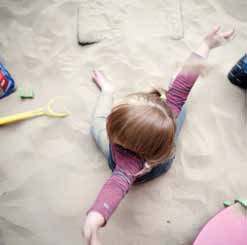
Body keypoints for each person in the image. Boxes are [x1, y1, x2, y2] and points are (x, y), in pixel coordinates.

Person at [83, 26, 235, 245]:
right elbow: (184, 82)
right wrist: (207, 44)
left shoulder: (126, 164)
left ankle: (107, 92)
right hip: (160, 156)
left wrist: (93, 219)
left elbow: (115, 187)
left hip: (134, 170)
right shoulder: (169, 113)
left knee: (95, 124)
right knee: (178, 96)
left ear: (118, 139)